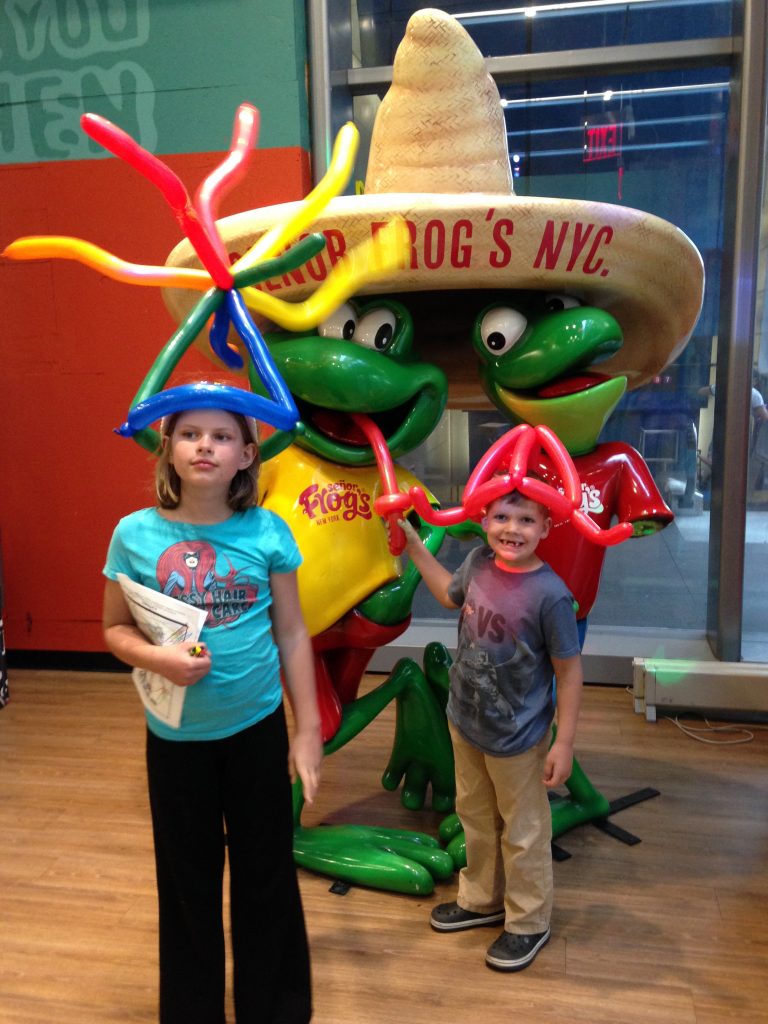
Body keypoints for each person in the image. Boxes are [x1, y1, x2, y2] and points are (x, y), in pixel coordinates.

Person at [102, 402, 323, 1024]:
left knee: (267, 874)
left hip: (255, 730)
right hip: (174, 739)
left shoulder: (267, 533)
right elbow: (114, 630)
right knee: (186, 883)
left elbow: (293, 633)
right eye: (191, 434)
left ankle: (273, 1007)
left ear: (247, 454)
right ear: (168, 448)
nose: (206, 446)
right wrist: (158, 659)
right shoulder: (133, 534)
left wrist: (307, 732)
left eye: (223, 436)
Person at [398, 489, 582, 972]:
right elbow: (446, 593)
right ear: (483, 519)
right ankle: (482, 899)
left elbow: (569, 671)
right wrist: (415, 544)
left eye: (526, 519)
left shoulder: (551, 595)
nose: (511, 528)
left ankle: (528, 922)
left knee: (523, 830)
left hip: (518, 739)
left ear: (546, 528)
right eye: (502, 516)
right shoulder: (478, 562)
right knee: (475, 817)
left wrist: (563, 741)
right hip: (466, 721)